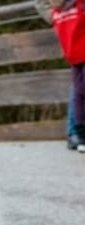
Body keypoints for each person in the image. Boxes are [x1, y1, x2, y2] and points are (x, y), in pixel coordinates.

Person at [36, 0, 80, 150]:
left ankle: (76, 132)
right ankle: (75, 132)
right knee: (79, 85)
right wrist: (57, 16)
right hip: (74, 24)